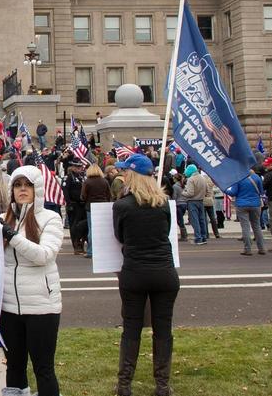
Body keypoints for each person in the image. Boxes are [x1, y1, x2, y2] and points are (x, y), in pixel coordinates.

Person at [111, 153, 179, 396]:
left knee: (131, 328)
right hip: (164, 272)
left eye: (125, 171)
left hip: (135, 272)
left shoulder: (122, 206)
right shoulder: (163, 204)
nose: (122, 175)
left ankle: (125, 385)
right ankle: (162, 386)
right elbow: (166, 232)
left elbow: (120, 236)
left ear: (132, 175)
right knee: (163, 329)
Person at [0, 165, 64, 396]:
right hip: (8, 307)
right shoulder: (2, 220)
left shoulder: (50, 219)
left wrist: (12, 237)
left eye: (27, 185)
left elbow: (44, 255)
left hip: (41, 307)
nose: (22, 189)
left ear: (37, 188)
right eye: (17, 185)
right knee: (14, 366)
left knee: (43, 368)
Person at [226, 171, 266, 256]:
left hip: (242, 204)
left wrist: (226, 189)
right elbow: (261, 191)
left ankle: (248, 249)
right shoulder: (256, 177)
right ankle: (261, 248)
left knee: (245, 227)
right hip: (255, 204)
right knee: (257, 226)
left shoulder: (239, 178)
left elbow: (233, 192)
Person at [181, 165, 211, 245]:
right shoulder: (203, 178)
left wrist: (183, 192)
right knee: (202, 220)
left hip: (192, 202)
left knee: (195, 220)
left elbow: (190, 193)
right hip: (201, 201)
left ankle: (198, 238)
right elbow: (208, 191)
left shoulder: (191, 179)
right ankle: (204, 237)